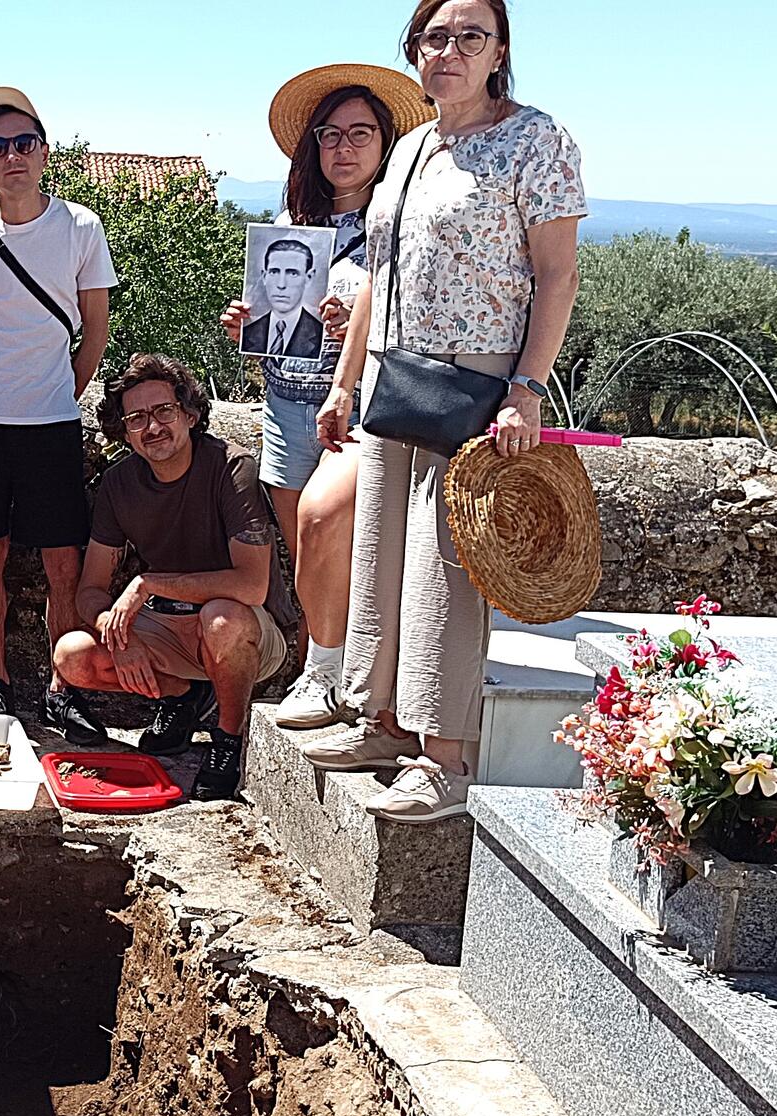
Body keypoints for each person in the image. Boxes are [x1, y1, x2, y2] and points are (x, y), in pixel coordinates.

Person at [303, 0, 585, 823]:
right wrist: (343, 384)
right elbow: (378, 273)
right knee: (380, 552)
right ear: (415, 53)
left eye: (470, 36)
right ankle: (380, 721)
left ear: (499, 52)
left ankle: (443, 758)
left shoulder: (537, 140)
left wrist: (525, 388)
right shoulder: (413, 148)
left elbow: (557, 276)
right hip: (397, 369)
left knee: (447, 565)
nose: (449, 51)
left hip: (477, 377)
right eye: (434, 37)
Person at [221, 65, 433, 735]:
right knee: (311, 554)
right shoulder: (293, 221)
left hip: (365, 410)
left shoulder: (399, 222)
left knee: (337, 531)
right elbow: (279, 321)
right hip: (286, 404)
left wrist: (360, 327)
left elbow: (419, 312)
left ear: (384, 141)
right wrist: (248, 323)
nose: (344, 147)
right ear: (313, 146)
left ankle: (347, 679)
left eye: (360, 133)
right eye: (331, 134)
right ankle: (331, 674)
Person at [0, 86, 117, 744]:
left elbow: (94, 329)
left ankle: (66, 689)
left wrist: (58, 390)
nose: (13, 157)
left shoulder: (80, 228)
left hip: (51, 424)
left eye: (24, 144)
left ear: (44, 154)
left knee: (63, 563)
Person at [53, 355, 294, 801]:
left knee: (222, 619)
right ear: (123, 432)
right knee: (72, 657)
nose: (153, 427)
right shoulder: (119, 484)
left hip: (247, 631)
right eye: (137, 418)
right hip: (169, 629)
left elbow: (251, 585)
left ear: (190, 414)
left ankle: (227, 741)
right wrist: (118, 635)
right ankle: (183, 697)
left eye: (164, 411)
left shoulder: (229, 467)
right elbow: (90, 591)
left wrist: (148, 584)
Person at [242, 240, 325, 360]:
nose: (281, 284)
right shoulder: (248, 332)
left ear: (308, 278)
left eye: (292, 274)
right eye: (274, 272)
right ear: (264, 277)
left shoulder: (320, 334)